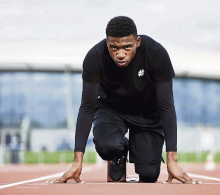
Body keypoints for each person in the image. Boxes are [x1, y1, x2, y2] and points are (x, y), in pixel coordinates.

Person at [49, 16, 201, 184]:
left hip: (147, 113)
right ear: (107, 43)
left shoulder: (156, 53)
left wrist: (173, 160)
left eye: (127, 47)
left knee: (149, 175)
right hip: (112, 110)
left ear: (137, 41)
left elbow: (166, 105)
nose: (120, 54)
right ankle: (118, 152)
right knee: (108, 147)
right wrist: (77, 161)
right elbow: (86, 107)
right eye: (114, 47)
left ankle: (137, 149)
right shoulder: (95, 57)